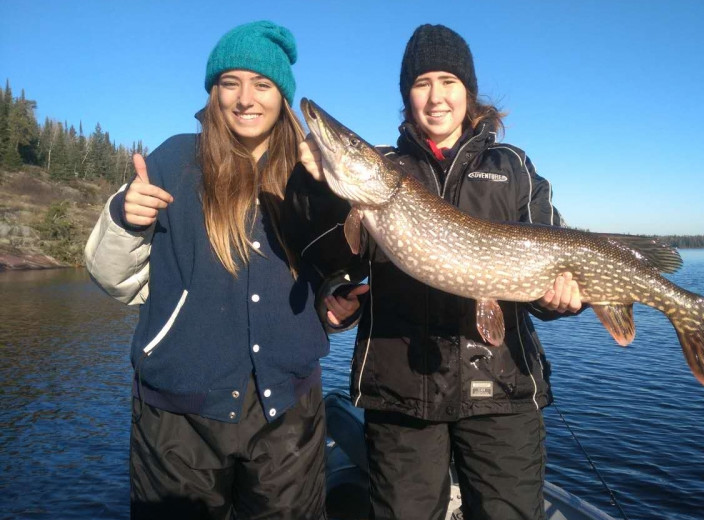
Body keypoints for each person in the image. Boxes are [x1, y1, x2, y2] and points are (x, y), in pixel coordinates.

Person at [299, 24, 582, 520]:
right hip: (401, 394)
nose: (436, 97)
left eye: (448, 81)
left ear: (468, 92)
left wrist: (556, 299)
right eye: (421, 82)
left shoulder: (513, 167)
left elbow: (549, 268)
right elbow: (332, 268)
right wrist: (335, 287)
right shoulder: (383, 171)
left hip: (504, 391)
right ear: (407, 95)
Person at [84, 20, 356, 519]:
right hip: (178, 414)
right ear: (213, 93)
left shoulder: (314, 175)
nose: (246, 98)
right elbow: (113, 278)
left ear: (282, 97)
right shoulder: (172, 160)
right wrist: (125, 218)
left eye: (263, 84)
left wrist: (333, 302)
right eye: (231, 82)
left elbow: (332, 268)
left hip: (288, 411)